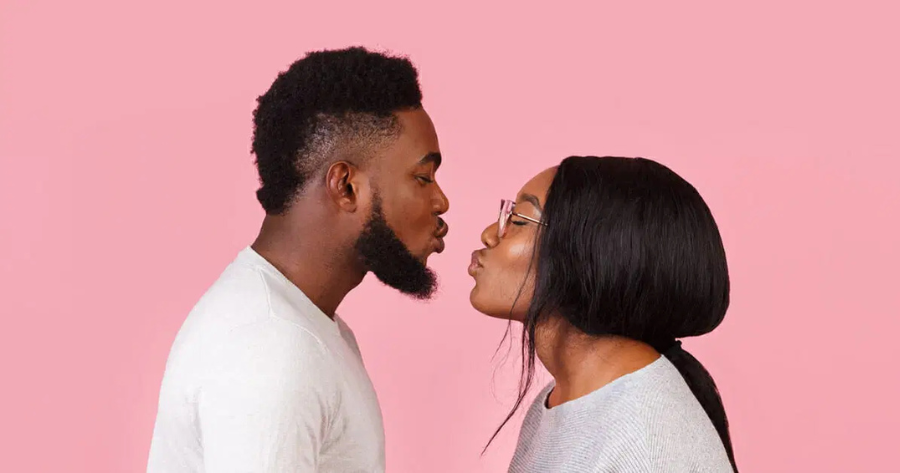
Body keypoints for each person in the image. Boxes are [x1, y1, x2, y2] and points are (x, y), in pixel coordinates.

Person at [147, 47, 449, 473]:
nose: (441, 201)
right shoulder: (272, 348)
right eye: (423, 177)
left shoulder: (300, 326)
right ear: (346, 187)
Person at [468, 156, 737, 472]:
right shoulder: (560, 404)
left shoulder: (644, 434)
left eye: (518, 220)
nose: (489, 234)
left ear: (591, 254)